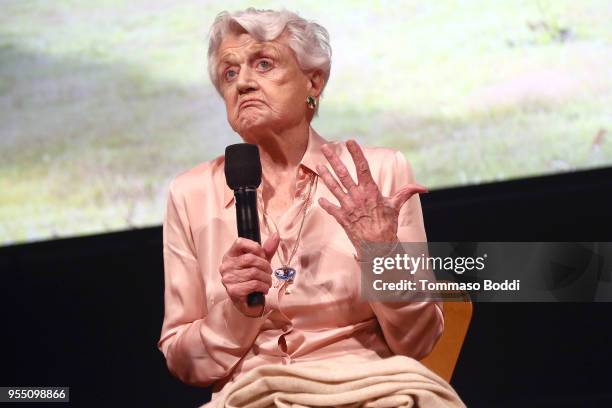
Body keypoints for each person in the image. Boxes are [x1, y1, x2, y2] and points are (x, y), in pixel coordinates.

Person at [157, 8, 445, 406]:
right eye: (229, 72)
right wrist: (237, 310)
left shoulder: (378, 173)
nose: (242, 82)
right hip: (251, 397)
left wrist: (381, 255)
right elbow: (184, 363)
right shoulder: (190, 194)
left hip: (368, 393)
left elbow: (419, 340)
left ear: (314, 80)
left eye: (263, 63)